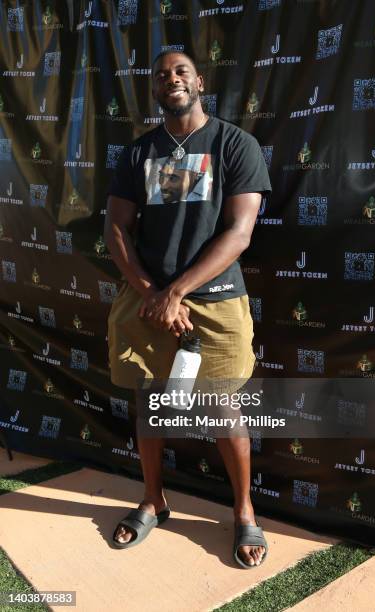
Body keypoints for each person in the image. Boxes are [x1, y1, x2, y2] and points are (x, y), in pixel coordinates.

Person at [104, 51, 272, 569]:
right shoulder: (139, 154)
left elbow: (239, 232)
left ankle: (244, 511)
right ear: (153, 89)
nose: (170, 79)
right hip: (149, 298)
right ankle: (154, 499)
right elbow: (114, 228)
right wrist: (154, 292)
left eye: (180, 71)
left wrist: (177, 293)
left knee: (223, 409)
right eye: (160, 74)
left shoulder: (234, 144)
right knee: (150, 402)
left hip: (214, 300)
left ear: (199, 81)